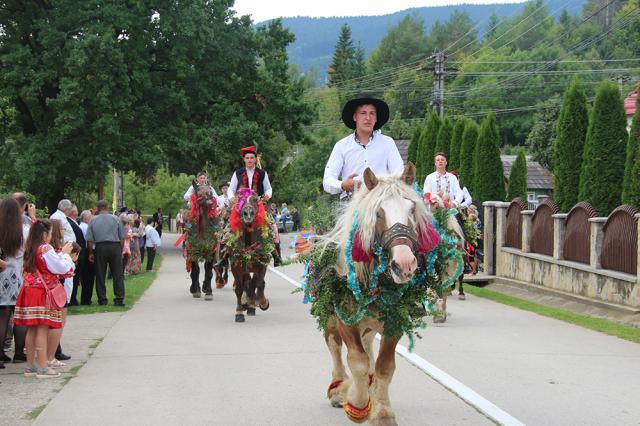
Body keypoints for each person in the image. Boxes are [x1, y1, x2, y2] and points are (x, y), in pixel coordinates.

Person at [13, 219, 75, 378]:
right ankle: (42, 367)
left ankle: (30, 366)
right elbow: (60, 267)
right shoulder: (45, 248)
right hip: (42, 293)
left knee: (32, 330)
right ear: (45, 234)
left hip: (29, 291)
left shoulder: (30, 248)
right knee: (42, 328)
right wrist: (66, 255)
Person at [323, 93, 404, 200]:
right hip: (351, 202)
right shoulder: (341, 146)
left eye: (372, 113)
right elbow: (327, 181)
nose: (368, 118)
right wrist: (343, 185)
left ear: (376, 119)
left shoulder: (387, 143)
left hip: (382, 201)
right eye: (363, 113)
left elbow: (399, 174)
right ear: (355, 117)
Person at [0, 197, 29, 367]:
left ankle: (1, 354)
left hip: (1, 272)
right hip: (17, 274)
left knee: (2, 314)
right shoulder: (24, 230)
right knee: (19, 315)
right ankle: (19, 352)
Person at [86, 200, 126, 307]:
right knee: (117, 274)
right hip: (115, 246)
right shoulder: (116, 219)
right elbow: (122, 237)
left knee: (100, 274)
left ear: (98, 208)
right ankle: (119, 298)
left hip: (100, 247)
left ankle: (102, 299)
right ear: (107, 207)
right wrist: (120, 250)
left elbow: (89, 240)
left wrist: (90, 253)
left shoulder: (93, 220)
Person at [65, 205, 85, 306]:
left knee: (76, 278)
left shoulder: (73, 222)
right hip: (74, 254)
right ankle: (72, 298)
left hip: (77, 254)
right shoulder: (69, 222)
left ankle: (73, 298)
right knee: (74, 277)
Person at [78, 210, 95, 305]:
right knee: (88, 277)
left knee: (86, 277)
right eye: (90, 216)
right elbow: (90, 240)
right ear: (86, 218)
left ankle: (86, 298)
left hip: (85, 253)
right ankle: (86, 299)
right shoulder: (86, 227)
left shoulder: (81, 226)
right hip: (88, 252)